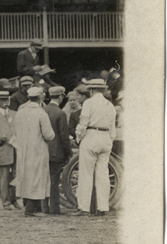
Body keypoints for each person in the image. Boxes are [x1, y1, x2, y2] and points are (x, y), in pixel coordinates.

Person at [75, 77, 117, 216]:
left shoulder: (89, 103)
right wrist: (109, 140)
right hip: (106, 138)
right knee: (103, 174)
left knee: (86, 173)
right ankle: (103, 207)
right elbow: (113, 128)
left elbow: (83, 123)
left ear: (92, 90)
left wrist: (78, 137)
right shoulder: (109, 105)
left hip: (91, 135)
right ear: (103, 90)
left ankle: (84, 208)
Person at [14, 84, 55, 216]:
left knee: (26, 175)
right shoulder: (41, 113)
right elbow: (48, 134)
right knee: (37, 177)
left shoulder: (20, 112)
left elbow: (15, 131)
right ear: (39, 97)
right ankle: (31, 209)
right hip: (38, 149)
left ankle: (31, 206)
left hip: (23, 150)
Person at [43, 85, 72, 215]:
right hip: (56, 152)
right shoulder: (60, 113)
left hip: (43, 150)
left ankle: (44, 207)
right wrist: (69, 152)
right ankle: (54, 208)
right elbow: (64, 136)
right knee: (54, 181)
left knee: (44, 179)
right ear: (60, 97)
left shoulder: (42, 110)